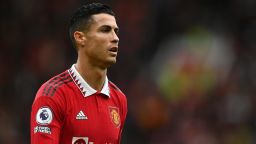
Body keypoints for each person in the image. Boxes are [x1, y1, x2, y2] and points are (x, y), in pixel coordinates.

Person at [30, 2, 127, 144]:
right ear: (80, 37)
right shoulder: (53, 95)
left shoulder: (119, 99)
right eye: (105, 30)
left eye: (116, 31)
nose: (115, 38)